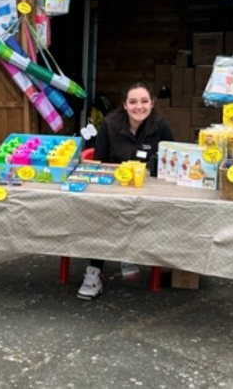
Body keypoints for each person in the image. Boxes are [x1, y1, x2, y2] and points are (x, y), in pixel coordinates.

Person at [77, 81, 175, 300]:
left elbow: (172, 162)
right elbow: (100, 163)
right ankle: (94, 272)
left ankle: (128, 253)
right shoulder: (110, 124)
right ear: (124, 105)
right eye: (133, 102)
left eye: (144, 101)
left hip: (147, 189)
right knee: (100, 213)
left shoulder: (161, 126)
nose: (138, 106)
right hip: (113, 187)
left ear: (152, 103)